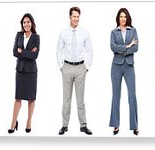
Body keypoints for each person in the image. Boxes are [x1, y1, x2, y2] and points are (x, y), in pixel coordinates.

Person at [56, 6, 94, 135]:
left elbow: (90, 50)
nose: (76, 19)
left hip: (80, 68)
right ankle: (64, 125)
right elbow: (58, 50)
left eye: (78, 16)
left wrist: (86, 67)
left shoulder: (84, 33)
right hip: (66, 67)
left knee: (80, 99)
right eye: (74, 16)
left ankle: (83, 125)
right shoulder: (63, 33)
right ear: (70, 17)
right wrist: (61, 66)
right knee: (66, 99)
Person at [8, 13, 40, 134]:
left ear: (32, 23)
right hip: (20, 70)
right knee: (18, 98)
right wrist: (28, 53)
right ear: (22, 24)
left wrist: (23, 52)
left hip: (31, 72)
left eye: (28, 22)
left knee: (31, 98)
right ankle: (13, 122)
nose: (26, 24)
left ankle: (29, 122)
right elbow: (14, 52)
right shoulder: (19, 35)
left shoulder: (36, 37)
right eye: (24, 22)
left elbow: (35, 55)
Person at [109, 8, 139, 136]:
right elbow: (112, 47)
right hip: (116, 66)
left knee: (132, 96)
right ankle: (115, 125)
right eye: (121, 16)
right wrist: (127, 46)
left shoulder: (133, 31)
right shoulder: (113, 32)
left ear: (127, 18)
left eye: (125, 16)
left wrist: (121, 50)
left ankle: (135, 125)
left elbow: (136, 47)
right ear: (118, 18)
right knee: (116, 96)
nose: (123, 18)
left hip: (129, 66)